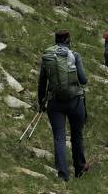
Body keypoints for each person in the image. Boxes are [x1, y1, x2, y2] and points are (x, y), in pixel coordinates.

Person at [37, 29, 88, 181]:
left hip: (54, 102)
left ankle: (63, 174)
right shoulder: (75, 55)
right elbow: (83, 80)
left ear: (56, 40)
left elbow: (42, 83)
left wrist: (41, 102)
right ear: (68, 40)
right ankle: (80, 168)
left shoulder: (48, 57)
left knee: (59, 137)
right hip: (75, 100)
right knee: (76, 135)